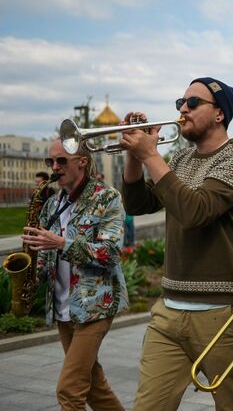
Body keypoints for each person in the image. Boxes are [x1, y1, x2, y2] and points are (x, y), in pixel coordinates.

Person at [121, 77, 233, 410]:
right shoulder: (181, 160)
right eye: (180, 103)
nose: (183, 109)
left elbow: (196, 212)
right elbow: (138, 205)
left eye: (193, 103)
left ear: (219, 114)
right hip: (170, 311)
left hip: (222, 313)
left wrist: (151, 155)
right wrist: (134, 157)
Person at [21, 140, 128, 411]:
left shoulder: (106, 197)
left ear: (82, 161)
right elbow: (45, 256)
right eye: (50, 162)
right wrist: (31, 273)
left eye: (61, 161)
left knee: (69, 391)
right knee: (95, 387)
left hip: (95, 306)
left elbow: (111, 252)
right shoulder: (52, 204)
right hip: (62, 307)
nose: (55, 168)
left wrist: (61, 243)